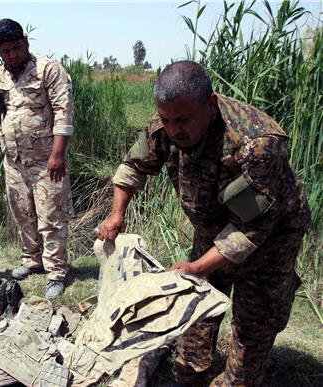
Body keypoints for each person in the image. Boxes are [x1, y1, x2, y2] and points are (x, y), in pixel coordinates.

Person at [97, 61, 310, 386]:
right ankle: (189, 375)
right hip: (212, 230)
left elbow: (250, 229)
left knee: (253, 326)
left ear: (210, 105)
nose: (173, 129)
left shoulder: (256, 143)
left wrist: (198, 267)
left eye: (182, 120)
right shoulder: (166, 120)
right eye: (167, 120)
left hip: (271, 238)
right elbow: (133, 166)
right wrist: (117, 213)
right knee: (196, 309)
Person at [0, 18, 74, 299]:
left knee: (51, 218)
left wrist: (58, 155)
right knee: (23, 216)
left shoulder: (49, 71)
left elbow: (63, 113)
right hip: (14, 163)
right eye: (6, 51)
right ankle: (33, 261)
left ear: (26, 42)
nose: (12, 55)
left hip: (47, 163)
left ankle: (56, 272)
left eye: (17, 48)